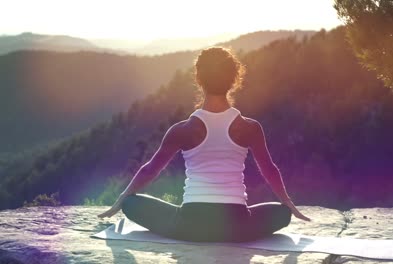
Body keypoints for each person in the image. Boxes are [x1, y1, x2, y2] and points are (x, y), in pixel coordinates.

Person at [97, 47, 310, 242]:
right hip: (237, 227)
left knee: (131, 203)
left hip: (189, 225)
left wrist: (122, 198)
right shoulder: (250, 128)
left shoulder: (182, 130)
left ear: (199, 79)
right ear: (234, 79)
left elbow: (150, 170)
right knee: (282, 213)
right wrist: (288, 202)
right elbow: (269, 169)